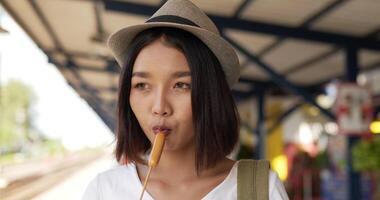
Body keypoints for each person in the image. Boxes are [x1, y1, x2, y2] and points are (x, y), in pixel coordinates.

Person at [82, 0, 289, 199]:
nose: (159, 107)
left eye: (181, 85)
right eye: (142, 85)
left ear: (211, 94)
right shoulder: (105, 190)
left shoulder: (259, 188)